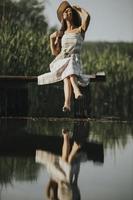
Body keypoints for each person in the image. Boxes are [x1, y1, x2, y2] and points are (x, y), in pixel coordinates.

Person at [38, 1, 91, 112]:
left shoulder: (79, 30)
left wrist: (79, 9)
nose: (68, 11)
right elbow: (55, 53)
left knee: (67, 76)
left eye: (70, 10)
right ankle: (76, 91)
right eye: (66, 11)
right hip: (61, 61)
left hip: (74, 62)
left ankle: (67, 104)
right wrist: (51, 39)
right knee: (69, 66)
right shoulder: (61, 34)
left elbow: (87, 17)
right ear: (63, 16)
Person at [36, 128, 87, 200]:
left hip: (68, 188)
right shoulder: (53, 193)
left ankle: (72, 147)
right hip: (62, 184)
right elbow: (48, 189)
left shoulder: (54, 194)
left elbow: (49, 188)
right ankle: (67, 138)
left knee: (66, 162)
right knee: (65, 159)